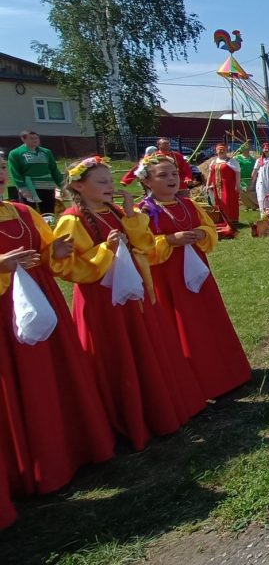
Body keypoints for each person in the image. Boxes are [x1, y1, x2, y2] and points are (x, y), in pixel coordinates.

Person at [54, 156, 206, 450]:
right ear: (78, 186)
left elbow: (146, 244)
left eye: (111, 180)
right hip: (102, 300)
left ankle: (158, 407)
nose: (110, 186)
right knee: (116, 352)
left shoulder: (116, 211)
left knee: (143, 346)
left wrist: (130, 217)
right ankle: (126, 418)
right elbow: (67, 269)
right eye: (101, 182)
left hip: (134, 292)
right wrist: (105, 251)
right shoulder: (72, 220)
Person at [0, 163, 116, 500]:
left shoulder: (23, 211)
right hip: (6, 311)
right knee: (19, 382)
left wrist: (55, 252)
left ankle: (74, 447)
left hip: (43, 300)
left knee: (55, 374)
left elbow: (51, 253)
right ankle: (33, 466)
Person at [136, 154, 252, 399]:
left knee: (207, 319)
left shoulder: (188, 204)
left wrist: (202, 232)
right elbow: (139, 247)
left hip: (198, 274)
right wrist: (168, 240)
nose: (171, 179)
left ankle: (225, 373)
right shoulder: (143, 212)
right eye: (163, 175)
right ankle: (190, 380)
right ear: (147, 181)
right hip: (167, 278)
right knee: (179, 324)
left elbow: (211, 226)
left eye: (174, 174)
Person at [7, 130, 64, 215]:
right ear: (23, 139)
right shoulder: (15, 153)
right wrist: (22, 188)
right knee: (29, 212)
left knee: (48, 211)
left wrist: (62, 185)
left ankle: (48, 226)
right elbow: (15, 172)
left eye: (36, 138)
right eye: (31, 138)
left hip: (47, 186)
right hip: (29, 187)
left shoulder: (46, 152)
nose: (35, 140)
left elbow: (54, 169)